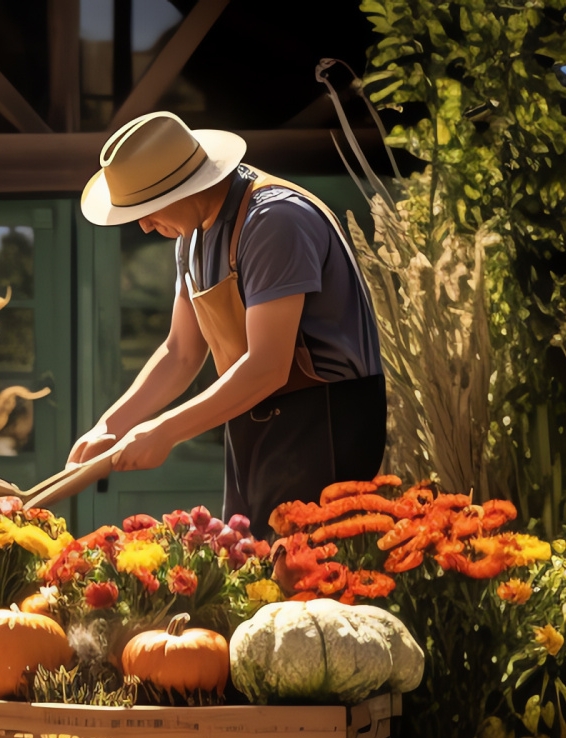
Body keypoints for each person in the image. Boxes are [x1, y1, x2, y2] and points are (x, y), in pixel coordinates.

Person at [70, 111, 385, 536]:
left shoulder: (273, 220)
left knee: (304, 580)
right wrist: (110, 426)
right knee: (248, 567)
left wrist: (164, 432)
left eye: (147, 209)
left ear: (186, 185)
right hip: (250, 417)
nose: (143, 225)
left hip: (322, 419)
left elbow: (269, 365)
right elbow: (181, 352)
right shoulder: (190, 238)